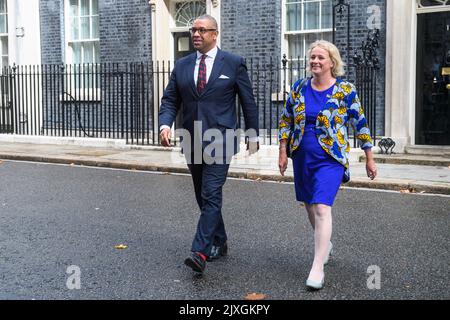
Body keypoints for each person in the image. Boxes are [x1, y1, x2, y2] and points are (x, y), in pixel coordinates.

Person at [159, 14, 259, 274]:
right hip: (192, 138)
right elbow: (170, 99)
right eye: (193, 30)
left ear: (215, 34)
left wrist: (252, 135)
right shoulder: (182, 65)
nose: (195, 34)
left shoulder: (233, 63)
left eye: (202, 30)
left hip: (221, 139)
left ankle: (200, 251)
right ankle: (220, 240)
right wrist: (165, 124)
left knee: (211, 193)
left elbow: (248, 102)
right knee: (202, 195)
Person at [278, 40, 377, 290]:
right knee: (309, 204)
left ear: (332, 62)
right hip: (302, 155)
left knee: (322, 207)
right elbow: (286, 120)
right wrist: (282, 151)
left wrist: (369, 157)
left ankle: (317, 267)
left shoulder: (345, 90)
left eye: (321, 58)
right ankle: (326, 246)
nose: (315, 62)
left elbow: (361, 123)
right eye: (312, 57)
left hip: (330, 158)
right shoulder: (299, 87)